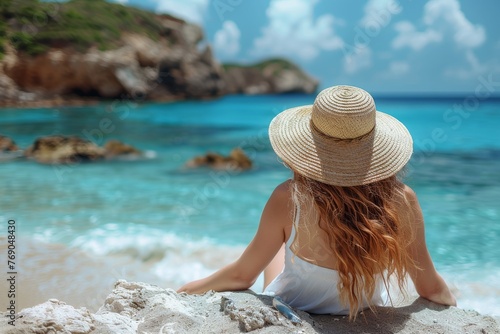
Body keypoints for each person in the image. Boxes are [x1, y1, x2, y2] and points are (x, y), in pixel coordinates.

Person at [177, 85, 456, 320]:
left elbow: (241, 277)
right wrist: (454, 308)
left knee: (276, 249)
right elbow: (431, 288)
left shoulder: (289, 196)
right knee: (282, 248)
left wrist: (187, 290)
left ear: (310, 145)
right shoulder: (402, 200)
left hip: (293, 307)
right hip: (360, 310)